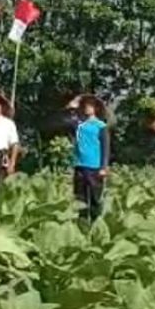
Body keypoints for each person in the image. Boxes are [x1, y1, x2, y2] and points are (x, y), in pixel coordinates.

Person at [66, 94, 110, 222]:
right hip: (80, 165)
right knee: (80, 199)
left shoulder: (101, 126)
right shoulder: (79, 125)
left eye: (90, 106)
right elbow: (63, 120)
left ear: (95, 108)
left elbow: (105, 147)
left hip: (95, 167)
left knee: (95, 198)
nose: (87, 108)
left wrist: (104, 167)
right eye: (85, 106)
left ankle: (96, 224)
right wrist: (72, 106)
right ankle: (82, 223)